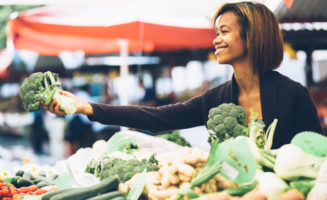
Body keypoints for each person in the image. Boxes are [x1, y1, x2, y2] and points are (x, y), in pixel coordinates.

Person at [41, 1, 322, 149]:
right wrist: (88, 107)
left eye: (224, 32)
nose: (216, 40)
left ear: (252, 36)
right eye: (216, 33)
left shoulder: (293, 95)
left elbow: (317, 157)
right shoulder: (216, 99)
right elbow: (157, 117)